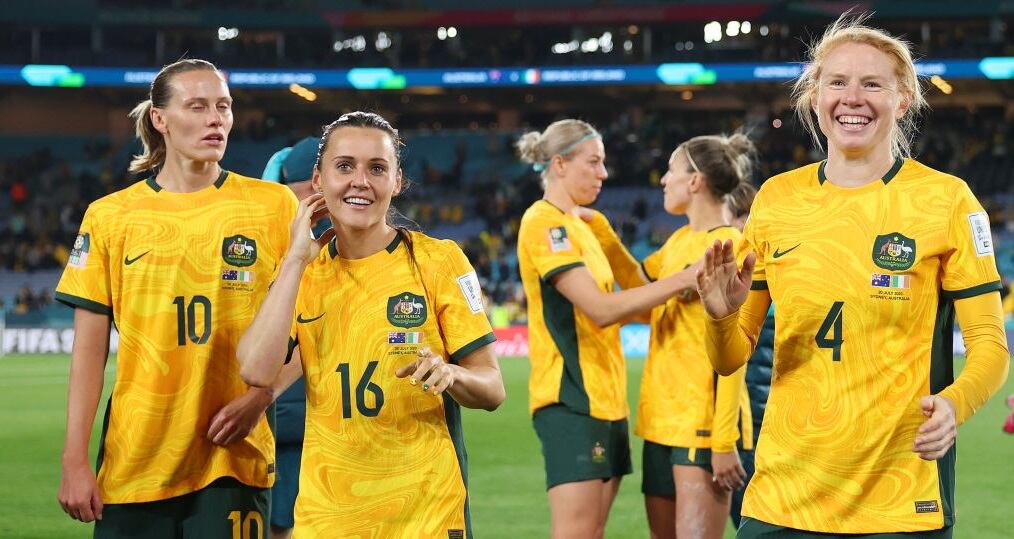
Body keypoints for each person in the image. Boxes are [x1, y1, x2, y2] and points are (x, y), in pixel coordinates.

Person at [696, 14, 1010, 537]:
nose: (852, 98)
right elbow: (730, 358)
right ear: (815, 97)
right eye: (836, 82)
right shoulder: (777, 198)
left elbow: (989, 344)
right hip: (782, 495)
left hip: (899, 497)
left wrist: (954, 405)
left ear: (903, 98)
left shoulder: (947, 201)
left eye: (872, 84)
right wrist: (719, 317)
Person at [55, 58, 298, 537]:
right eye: (198, 106)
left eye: (224, 106)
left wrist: (261, 397)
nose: (215, 118)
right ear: (159, 119)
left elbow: (312, 323)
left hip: (233, 459)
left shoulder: (272, 206)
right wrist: (73, 459)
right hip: (134, 462)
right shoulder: (110, 217)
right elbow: (88, 350)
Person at [236, 111, 505, 538]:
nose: (360, 180)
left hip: (426, 516)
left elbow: (492, 388)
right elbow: (254, 369)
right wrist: (293, 260)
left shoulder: (439, 261)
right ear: (318, 180)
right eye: (344, 166)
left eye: (377, 168)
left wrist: (451, 373)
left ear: (396, 182)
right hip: (328, 519)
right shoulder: (302, 272)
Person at [515, 119, 700, 539]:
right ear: (559, 164)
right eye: (594, 162)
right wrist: (683, 279)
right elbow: (599, 309)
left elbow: (641, 301)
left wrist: (610, 239)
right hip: (571, 399)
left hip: (609, 401)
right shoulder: (545, 224)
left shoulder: (585, 226)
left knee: (593, 532)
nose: (604, 173)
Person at [583, 135, 757, 539]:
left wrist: (723, 439)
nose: (663, 180)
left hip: (702, 424)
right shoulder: (679, 242)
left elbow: (735, 348)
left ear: (695, 181)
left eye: (672, 171)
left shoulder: (729, 246)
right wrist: (604, 233)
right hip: (660, 424)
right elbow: (639, 289)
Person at [260, 136, 323, 539]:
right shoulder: (267, 240)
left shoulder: (353, 245)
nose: (307, 212)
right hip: (277, 414)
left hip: (320, 416)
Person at [722, 182, 774, 530]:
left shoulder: (748, 274)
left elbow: (735, 362)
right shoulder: (781, 267)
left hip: (751, 424)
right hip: (778, 422)